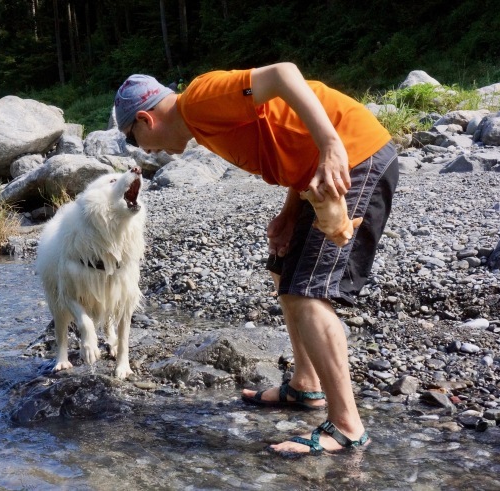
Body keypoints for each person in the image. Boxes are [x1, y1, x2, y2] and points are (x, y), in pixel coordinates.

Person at [114, 63, 398, 456]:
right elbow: (287, 138)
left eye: (136, 139)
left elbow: (284, 74)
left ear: (145, 119)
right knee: (284, 270)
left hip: (352, 156)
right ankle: (305, 384)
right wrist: (288, 211)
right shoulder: (200, 125)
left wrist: (332, 146)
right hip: (314, 175)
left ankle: (348, 426)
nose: (145, 150)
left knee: (308, 294)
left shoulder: (199, 101)